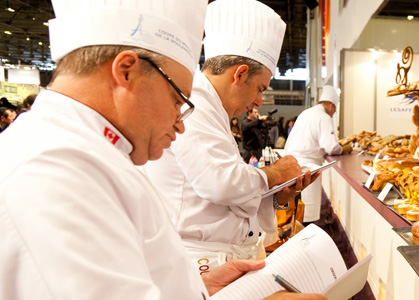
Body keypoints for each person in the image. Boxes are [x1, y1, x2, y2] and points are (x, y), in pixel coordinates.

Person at [0, 1, 321, 299]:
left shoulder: (94, 152)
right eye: (178, 99)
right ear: (126, 71)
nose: (181, 125)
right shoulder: (49, 172)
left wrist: (197, 290)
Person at [142, 0, 316, 276]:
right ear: (240, 74)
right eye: (260, 88)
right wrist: (274, 173)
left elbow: (224, 194)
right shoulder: (195, 101)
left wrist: (277, 196)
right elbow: (220, 183)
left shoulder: (214, 108)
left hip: (218, 258)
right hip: (199, 263)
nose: (258, 101)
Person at [284, 85, 353, 223]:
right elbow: (330, 147)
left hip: (291, 163)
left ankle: (296, 237)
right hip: (307, 167)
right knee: (307, 213)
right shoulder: (324, 117)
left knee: (296, 209)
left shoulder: (307, 113)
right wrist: (344, 149)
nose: (333, 113)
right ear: (331, 105)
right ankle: (305, 241)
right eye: (334, 110)